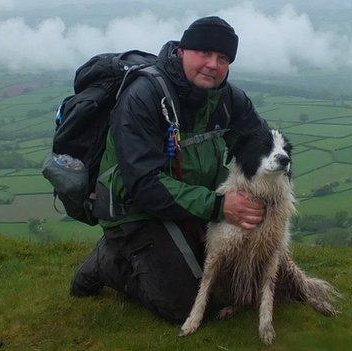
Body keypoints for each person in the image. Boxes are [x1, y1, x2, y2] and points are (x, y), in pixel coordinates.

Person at [70, 16, 269, 323]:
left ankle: (173, 250)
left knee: (237, 283)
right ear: (183, 51)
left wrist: (271, 190)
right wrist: (219, 206)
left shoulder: (227, 99)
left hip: (192, 202)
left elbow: (261, 145)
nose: (212, 65)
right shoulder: (144, 96)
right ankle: (108, 261)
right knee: (187, 305)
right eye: (204, 53)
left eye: (223, 58)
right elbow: (144, 184)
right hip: (136, 211)